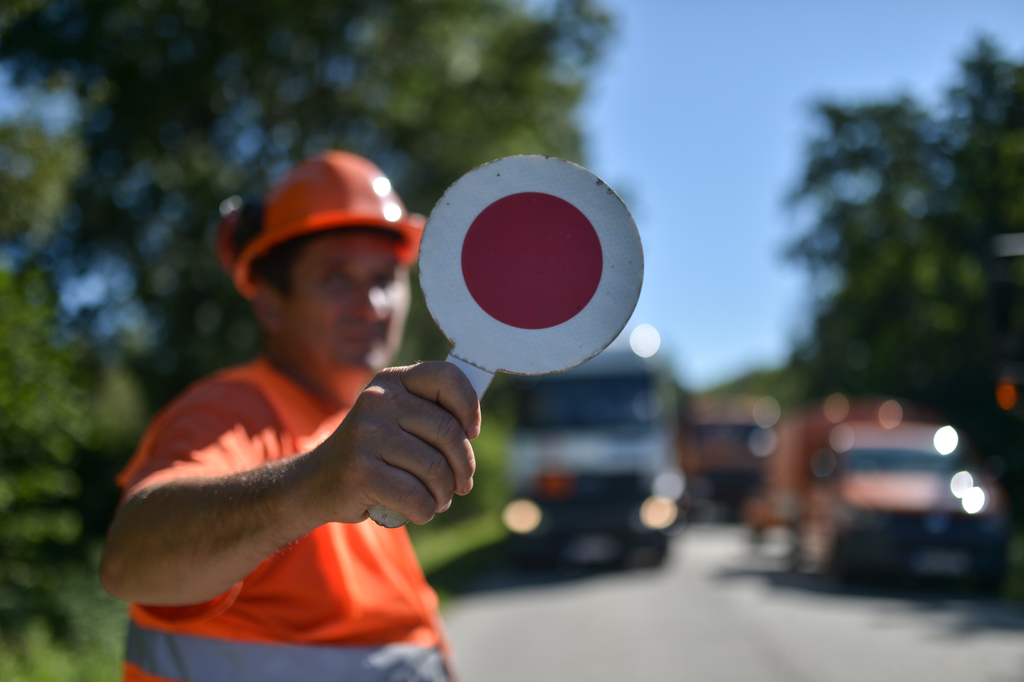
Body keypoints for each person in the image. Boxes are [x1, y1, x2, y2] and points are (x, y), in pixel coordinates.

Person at [99, 151, 479, 682]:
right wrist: (315, 483)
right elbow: (131, 559)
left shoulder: (353, 429)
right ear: (270, 304)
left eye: (386, 277)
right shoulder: (232, 410)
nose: (372, 304)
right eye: (335, 279)